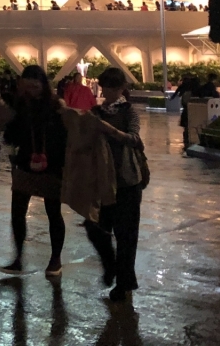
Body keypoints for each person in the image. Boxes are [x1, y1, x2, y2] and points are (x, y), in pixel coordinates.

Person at [0, 65, 68, 277]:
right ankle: (18, 257)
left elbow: (65, 136)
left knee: (53, 212)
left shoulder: (56, 106)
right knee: (17, 212)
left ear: (43, 85)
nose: (31, 91)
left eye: (35, 86)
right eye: (27, 86)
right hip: (25, 162)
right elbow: (11, 134)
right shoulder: (19, 105)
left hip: (52, 165)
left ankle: (55, 259)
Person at [84, 68, 145, 303]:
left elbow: (134, 139)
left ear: (121, 89)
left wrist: (108, 129)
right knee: (94, 227)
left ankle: (124, 283)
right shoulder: (96, 111)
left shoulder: (130, 112)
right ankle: (110, 265)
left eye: (112, 88)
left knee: (126, 235)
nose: (107, 92)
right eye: (104, 87)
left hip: (127, 180)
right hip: (101, 181)